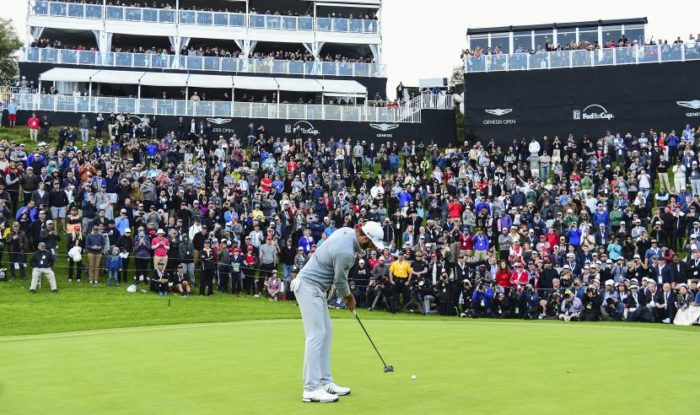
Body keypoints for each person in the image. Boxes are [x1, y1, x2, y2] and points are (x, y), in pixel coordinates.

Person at [291, 221, 384, 403]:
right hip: (308, 287)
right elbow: (340, 281)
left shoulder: (347, 232)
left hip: (317, 289)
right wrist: (349, 298)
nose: (373, 247)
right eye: (372, 243)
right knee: (316, 335)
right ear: (364, 237)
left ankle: (325, 382)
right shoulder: (346, 252)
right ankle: (310, 389)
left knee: (327, 332)